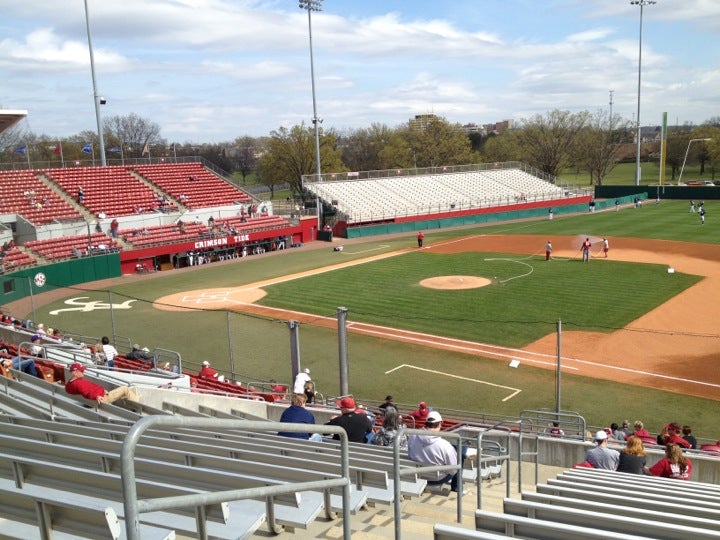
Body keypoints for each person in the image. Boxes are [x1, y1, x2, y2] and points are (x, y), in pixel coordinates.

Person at [407, 411, 476, 493]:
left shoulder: (413, 437)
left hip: (416, 475)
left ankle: (462, 449)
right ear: (439, 424)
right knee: (459, 456)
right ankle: (457, 489)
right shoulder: (444, 445)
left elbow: (410, 454)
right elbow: (453, 470)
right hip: (437, 479)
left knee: (454, 449)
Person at [65, 363, 139, 405]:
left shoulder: (70, 384)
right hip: (102, 398)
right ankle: (138, 405)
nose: (83, 371)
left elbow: (81, 391)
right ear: (75, 372)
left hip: (94, 398)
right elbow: (86, 393)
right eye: (81, 370)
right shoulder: (79, 383)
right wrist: (96, 396)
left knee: (124, 394)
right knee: (125, 389)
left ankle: (134, 401)